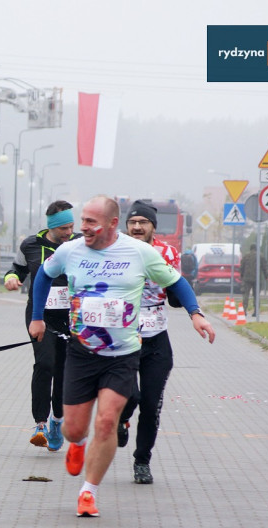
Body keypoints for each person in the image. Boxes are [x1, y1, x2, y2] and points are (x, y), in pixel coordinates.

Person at [29, 195, 215, 518]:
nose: (82, 228)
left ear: (113, 224)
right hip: (82, 353)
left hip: (123, 354)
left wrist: (195, 313)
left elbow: (177, 281)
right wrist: (37, 317)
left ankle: (89, 492)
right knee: (75, 428)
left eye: (90, 222)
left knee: (106, 422)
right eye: (82, 220)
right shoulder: (70, 251)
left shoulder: (140, 253)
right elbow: (44, 275)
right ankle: (75, 444)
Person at [114, 200, 182, 484]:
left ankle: (142, 461)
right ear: (126, 226)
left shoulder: (167, 253)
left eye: (143, 222)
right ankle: (121, 418)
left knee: (152, 404)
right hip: (123, 338)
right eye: (133, 222)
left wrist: (180, 296)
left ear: (154, 227)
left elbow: (176, 293)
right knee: (132, 396)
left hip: (156, 338)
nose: (138, 226)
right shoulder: (115, 251)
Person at [4, 200, 76, 452]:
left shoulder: (79, 244)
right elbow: (17, 269)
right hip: (39, 316)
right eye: (64, 228)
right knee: (44, 364)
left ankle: (58, 420)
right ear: (52, 226)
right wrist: (11, 278)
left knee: (63, 371)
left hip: (71, 318)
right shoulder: (31, 245)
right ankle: (40, 424)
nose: (69, 232)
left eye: (71, 227)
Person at [240, 243, 267, 314]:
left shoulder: (246, 256)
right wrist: (266, 276)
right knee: (256, 295)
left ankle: (244, 310)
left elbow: (242, 267)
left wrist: (242, 276)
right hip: (257, 279)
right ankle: (256, 311)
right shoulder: (260, 256)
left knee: (246, 295)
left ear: (250, 249)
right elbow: (264, 267)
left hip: (247, 278)